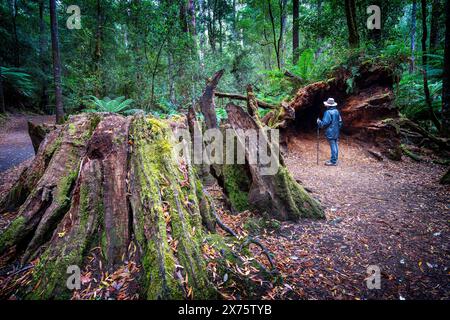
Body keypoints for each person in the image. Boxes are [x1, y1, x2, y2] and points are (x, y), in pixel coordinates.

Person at [317, 98, 343, 166]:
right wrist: (338, 128)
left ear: (329, 105)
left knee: (333, 145)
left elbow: (325, 123)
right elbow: (340, 121)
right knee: (335, 144)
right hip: (336, 131)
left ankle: (333, 161)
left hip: (330, 132)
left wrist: (319, 122)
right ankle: (335, 159)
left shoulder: (328, 112)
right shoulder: (337, 111)